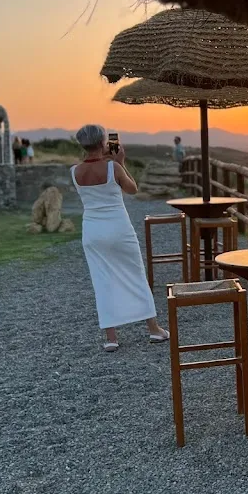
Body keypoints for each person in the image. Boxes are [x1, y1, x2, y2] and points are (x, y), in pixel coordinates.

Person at [71, 124, 169, 352]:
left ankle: (111, 338)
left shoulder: (74, 171)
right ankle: (154, 329)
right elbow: (133, 189)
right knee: (135, 273)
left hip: (92, 231)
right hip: (118, 228)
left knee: (102, 281)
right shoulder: (113, 167)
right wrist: (121, 162)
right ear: (103, 142)